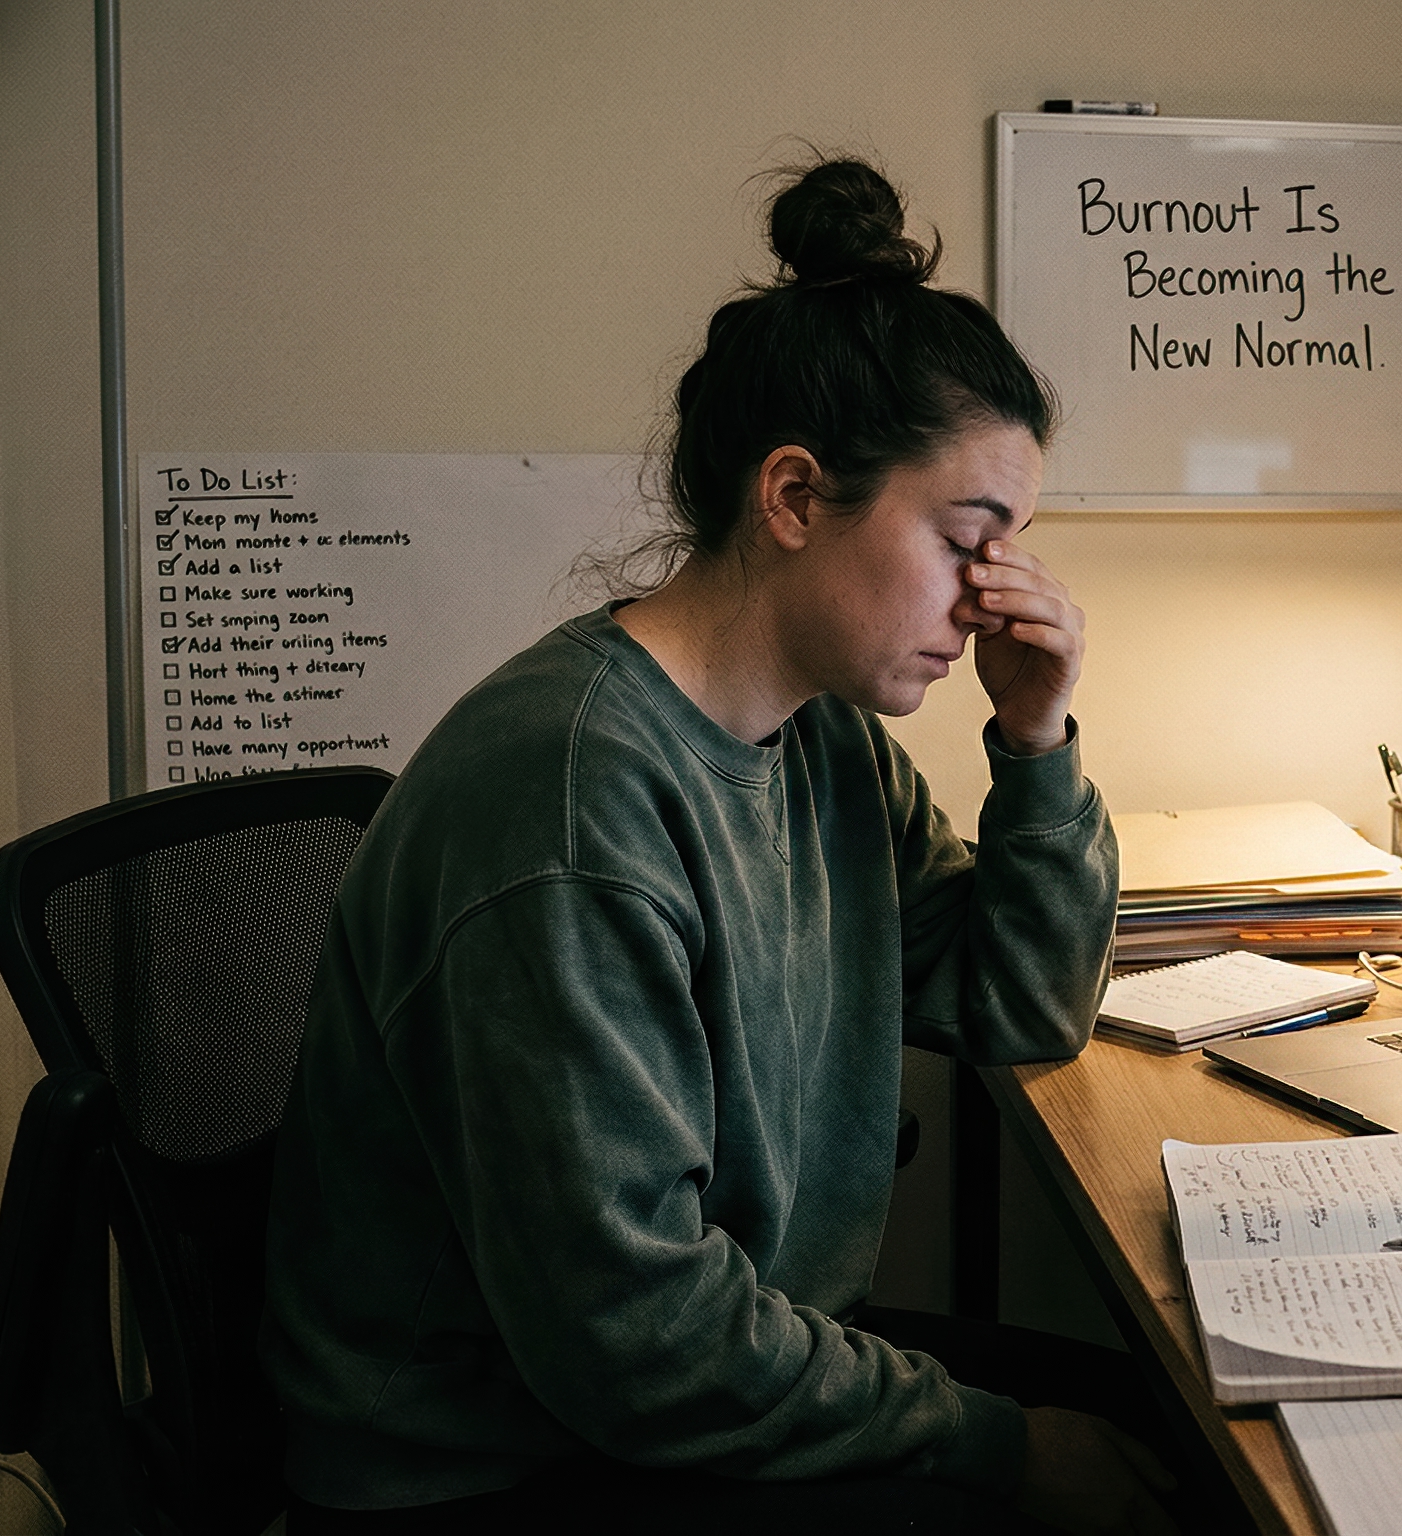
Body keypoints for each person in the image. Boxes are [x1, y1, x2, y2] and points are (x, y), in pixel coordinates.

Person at [262, 159, 1177, 1534]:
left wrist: (1036, 744)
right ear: (796, 497)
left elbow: (1020, 1007)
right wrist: (995, 1446)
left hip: (696, 1383)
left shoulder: (821, 738)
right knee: (1131, 1478)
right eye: (962, 541)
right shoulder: (569, 806)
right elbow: (635, 1342)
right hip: (505, 1466)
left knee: (1176, 1427)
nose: (995, 600)